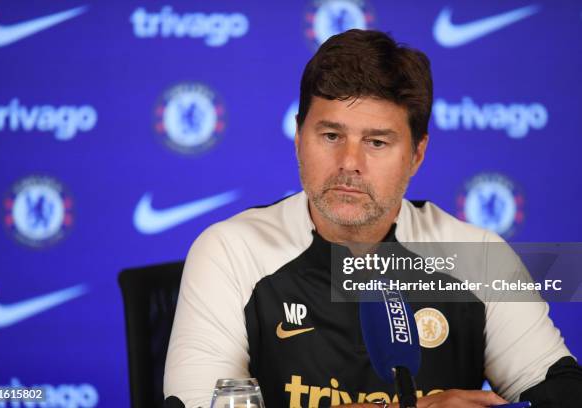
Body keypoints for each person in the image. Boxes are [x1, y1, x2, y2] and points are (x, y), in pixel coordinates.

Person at [163, 29, 582, 408]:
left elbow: (562, 392)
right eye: (331, 136)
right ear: (297, 138)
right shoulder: (231, 250)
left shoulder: (478, 257)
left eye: (377, 142)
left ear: (417, 154)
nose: (350, 163)